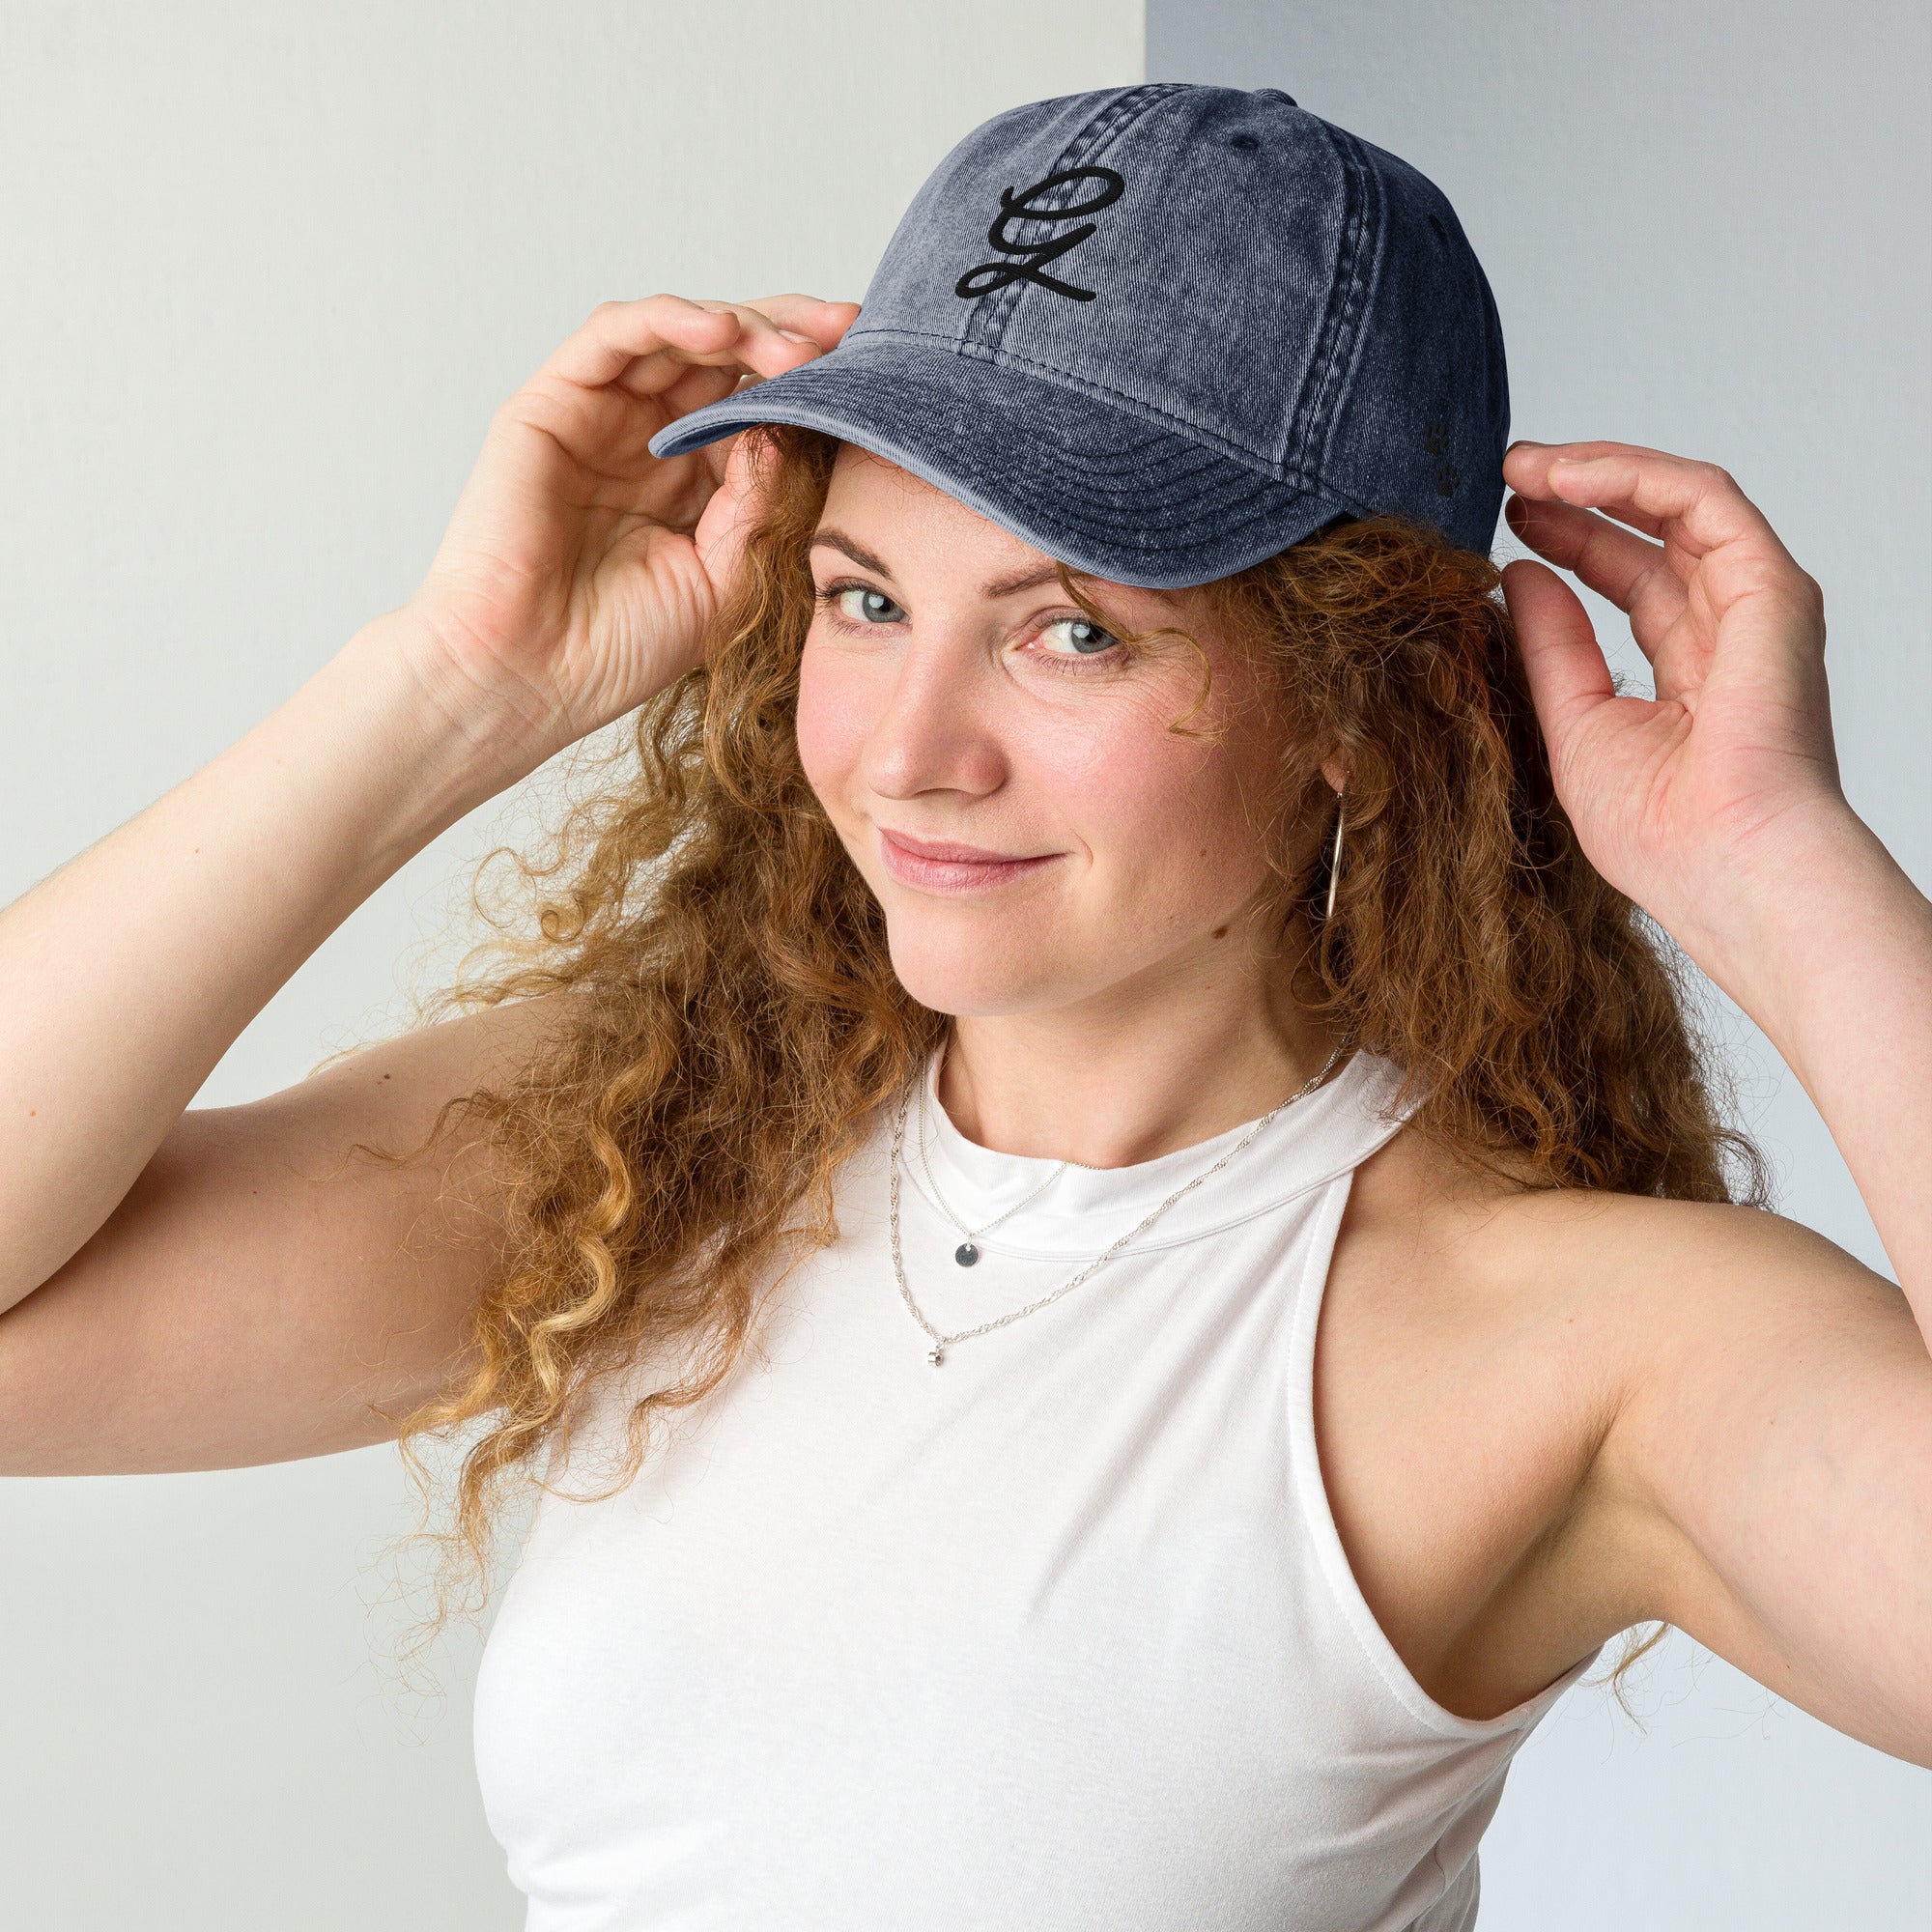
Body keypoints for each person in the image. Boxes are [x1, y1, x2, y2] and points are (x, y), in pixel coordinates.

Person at [0, 79, 1925, 1931]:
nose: (913, 753)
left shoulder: (1568, 1344)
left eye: (1068, 629)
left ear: (1361, 702)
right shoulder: (661, 1146)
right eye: (860, 600)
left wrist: (1773, 866)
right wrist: (447, 686)